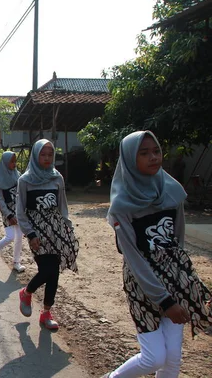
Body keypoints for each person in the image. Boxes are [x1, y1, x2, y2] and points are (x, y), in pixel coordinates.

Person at [102, 131, 212, 378]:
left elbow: (178, 242)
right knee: (154, 358)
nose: (153, 157)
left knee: (172, 360)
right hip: (143, 284)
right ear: (130, 160)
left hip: (173, 279)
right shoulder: (122, 205)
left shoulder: (172, 191)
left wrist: (181, 282)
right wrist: (165, 301)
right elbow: (133, 257)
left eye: (156, 151)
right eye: (144, 153)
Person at [16, 139, 79, 330]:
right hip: (37, 231)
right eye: (42, 154)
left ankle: (46, 313)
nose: (46, 158)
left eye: (50, 154)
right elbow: (20, 211)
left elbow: (62, 206)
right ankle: (26, 292)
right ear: (35, 156)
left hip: (56, 230)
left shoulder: (56, 177)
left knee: (54, 274)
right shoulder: (25, 180)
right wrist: (30, 233)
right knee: (46, 270)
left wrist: (67, 226)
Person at [0, 151, 26, 272]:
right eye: (12, 161)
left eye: (15, 161)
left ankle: (16, 262)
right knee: (10, 236)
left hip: (18, 209)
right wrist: (8, 215)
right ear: (5, 163)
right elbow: (0, 200)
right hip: (7, 211)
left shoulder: (17, 174)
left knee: (19, 235)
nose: (14, 164)